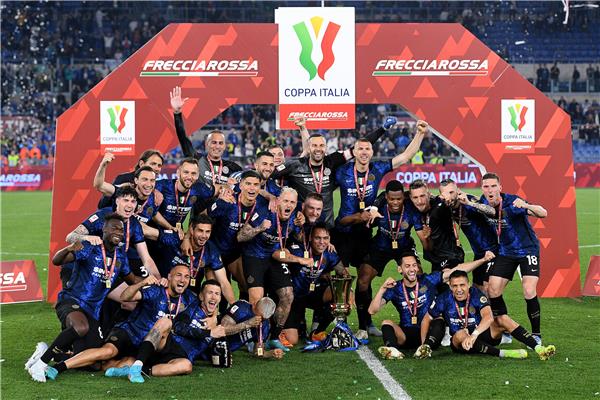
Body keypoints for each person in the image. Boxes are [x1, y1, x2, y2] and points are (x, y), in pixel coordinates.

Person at [26, 214, 138, 382]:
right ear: (104, 229)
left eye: (121, 230)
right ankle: (41, 364)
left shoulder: (120, 257)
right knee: (81, 327)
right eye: (114, 228)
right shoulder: (90, 247)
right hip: (72, 300)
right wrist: (69, 248)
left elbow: (132, 280)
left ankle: (46, 352)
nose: (118, 232)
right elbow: (56, 260)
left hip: (93, 311)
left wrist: (153, 281)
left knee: (92, 363)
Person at [41, 265, 196, 382]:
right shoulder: (156, 290)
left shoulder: (189, 299)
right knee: (107, 353)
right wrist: (141, 283)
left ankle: (137, 368)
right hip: (129, 333)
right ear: (169, 277)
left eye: (187, 277)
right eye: (178, 275)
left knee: (112, 365)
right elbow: (125, 297)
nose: (182, 280)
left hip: (149, 344)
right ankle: (58, 367)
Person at [271, 115, 397, 228]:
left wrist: (383, 129)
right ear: (309, 148)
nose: (318, 149)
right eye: (314, 146)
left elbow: (359, 147)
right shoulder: (295, 166)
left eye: (321, 146)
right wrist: (270, 196)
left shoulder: (333, 161)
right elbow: (267, 174)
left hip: (326, 228)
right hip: (302, 225)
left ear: (326, 147)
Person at [333, 121, 428, 271]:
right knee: (341, 275)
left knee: (363, 275)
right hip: (343, 230)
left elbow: (405, 156)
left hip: (365, 230)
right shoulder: (341, 171)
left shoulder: (378, 168)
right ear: (354, 152)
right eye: (360, 149)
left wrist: (420, 133)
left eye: (367, 149)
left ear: (372, 152)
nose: (364, 152)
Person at [369, 252, 495, 360]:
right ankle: (393, 350)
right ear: (400, 269)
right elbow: (372, 310)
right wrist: (382, 289)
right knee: (386, 322)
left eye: (414, 265)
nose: (412, 269)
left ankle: (426, 347)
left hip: (430, 332)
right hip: (406, 334)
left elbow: (457, 270)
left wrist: (483, 260)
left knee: (439, 319)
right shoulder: (395, 288)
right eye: (407, 266)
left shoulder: (428, 280)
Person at [422, 270, 556, 360]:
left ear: (468, 284)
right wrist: (424, 344)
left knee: (502, 318)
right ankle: (504, 353)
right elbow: (427, 318)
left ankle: (539, 349)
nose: (459, 289)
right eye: (455, 286)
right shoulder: (444, 298)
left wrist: (474, 334)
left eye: (462, 285)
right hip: (460, 342)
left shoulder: (476, 294)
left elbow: (488, 317)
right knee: (460, 334)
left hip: (479, 333)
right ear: (450, 286)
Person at [354, 180, 429, 339]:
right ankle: (364, 326)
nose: (395, 202)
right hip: (380, 246)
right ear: (387, 197)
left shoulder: (411, 207)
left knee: (419, 276)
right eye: (392, 199)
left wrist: (427, 245)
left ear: (404, 197)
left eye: (399, 199)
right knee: (362, 280)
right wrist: (372, 212)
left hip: (404, 247)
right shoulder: (379, 206)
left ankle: (422, 322)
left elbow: (422, 235)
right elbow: (369, 213)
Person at [479, 172, 547, 343]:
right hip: (506, 252)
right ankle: (504, 328)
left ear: (500, 188)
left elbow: (543, 213)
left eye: (493, 186)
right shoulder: (482, 203)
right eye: (486, 187)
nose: (490, 190)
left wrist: (526, 205)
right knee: (492, 289)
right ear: (482, 189)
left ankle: (536, 335)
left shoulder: (512, 201)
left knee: (529, 289)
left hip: (527, 250)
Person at [237, 187, 305, 349]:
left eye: (292, 202)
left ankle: (274, 337)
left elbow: (298, 236)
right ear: (278, 201)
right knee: (257, 299)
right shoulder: (263, 213)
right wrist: (259, 228)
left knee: (288, 295)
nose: (289, 205)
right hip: (254, 256)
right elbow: (240, 236)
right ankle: (254, 338)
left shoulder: (294, 218)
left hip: (274, 257)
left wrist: (303, 224)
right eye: (286, 201)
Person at [65, 186, 160, 279]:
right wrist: (87, 238)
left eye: (133, 201)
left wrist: (159, 280)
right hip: (81, 269)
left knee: (137, 288)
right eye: (126, 200)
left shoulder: (134, 224)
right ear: (117, 201)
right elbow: (70, 237)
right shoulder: (102, 216)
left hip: (107, 270)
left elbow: (146, 258)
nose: (130, 205)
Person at [144, 214, 235, 303]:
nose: (204, 236)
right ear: (191, 230)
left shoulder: (211, 250)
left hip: (189, 298)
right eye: (200, 231)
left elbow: (224, 282)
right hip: (163, 288)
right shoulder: (176, 238)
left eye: (207, 232)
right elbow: (147, 231)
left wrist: (234, 306)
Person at [283, 223, 348, 345]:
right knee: (292, 340)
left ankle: (317, 332)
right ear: (310, 238)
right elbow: (280, 254)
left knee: (340, 294)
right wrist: (299, 260)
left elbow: (343, 273)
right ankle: (276, 325)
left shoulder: (329, 253)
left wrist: (347, 289)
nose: (322, 242)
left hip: (313, 293)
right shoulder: (299, 249)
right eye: (318, 238)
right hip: (294, 298)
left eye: (325, 238)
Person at [170, 86, 242, 192]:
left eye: (220, 143)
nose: (217, 146)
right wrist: (177, 113)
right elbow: (183, 137)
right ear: (206, 144)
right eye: (213, 142)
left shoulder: (234, 168)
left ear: (224, 146)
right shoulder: (197, 159)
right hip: (198, 203)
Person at [438, 179, 497, 292]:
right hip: (479, 253)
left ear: (458, 191)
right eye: (446, 193)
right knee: (477, 288)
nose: (449, 196)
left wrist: (470, 203)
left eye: (452, 192)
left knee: (488, 287)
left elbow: (492, 211)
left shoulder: (468, 200)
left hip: (495, 249)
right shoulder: (446, 206)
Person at [93, 152, 163, 225]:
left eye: (159, 165)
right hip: (109, 222)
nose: (156, 168)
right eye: (153, 164)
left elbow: (153, 214)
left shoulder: (156, 189)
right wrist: (103, 165)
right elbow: (100, 186)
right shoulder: (124, 182)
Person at [154, 157, 213, 234]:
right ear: (178, 172)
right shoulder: (162, 186)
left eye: (193, 173)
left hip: (178, 233)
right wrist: (153, 190)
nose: (189, 177)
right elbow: (152, 212)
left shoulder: (200, 189)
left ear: (197, 175)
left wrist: (225, 190)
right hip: (157, 232)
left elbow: (218, 190)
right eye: (186, 172)